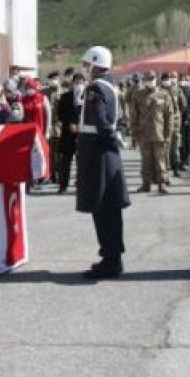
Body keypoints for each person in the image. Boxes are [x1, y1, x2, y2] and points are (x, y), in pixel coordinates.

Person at [75, 46, 131, 280]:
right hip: (107, 154)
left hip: (97, 153)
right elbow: (119, 121)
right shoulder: (112, 87)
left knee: (102, 209)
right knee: (111, 208)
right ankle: (113, 257)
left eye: (88, 65)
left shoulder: (95, 89)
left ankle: (110, 260)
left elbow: (99, 120)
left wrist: (109, 136)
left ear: (95, 65)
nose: (86, 69)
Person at [131, 71, 173, 194]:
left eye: (152, 78)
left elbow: (169, 116)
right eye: (148, 78)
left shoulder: (164, 95)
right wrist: (134, 133)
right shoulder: (138, 95)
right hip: (143, 133)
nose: (150, 80)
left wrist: (168, 133)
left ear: (156, 79)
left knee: (160, 160)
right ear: (144, 80)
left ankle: (162, 183)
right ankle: (146, 184)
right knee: (145, 160)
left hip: (159, 133)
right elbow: (133, 115)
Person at [54, 73, 84, 194]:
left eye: (80, 82)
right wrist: (69, 124)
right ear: (72, 83)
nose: (78, 84)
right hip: (68, 132)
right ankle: (63, 185)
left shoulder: (88, 97)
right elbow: (61, 113)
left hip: (82, 132)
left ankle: (81, 184)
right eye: (76, 82)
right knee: (65, 160)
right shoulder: (65, 97)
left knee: (82, 160)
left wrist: (80, 125)